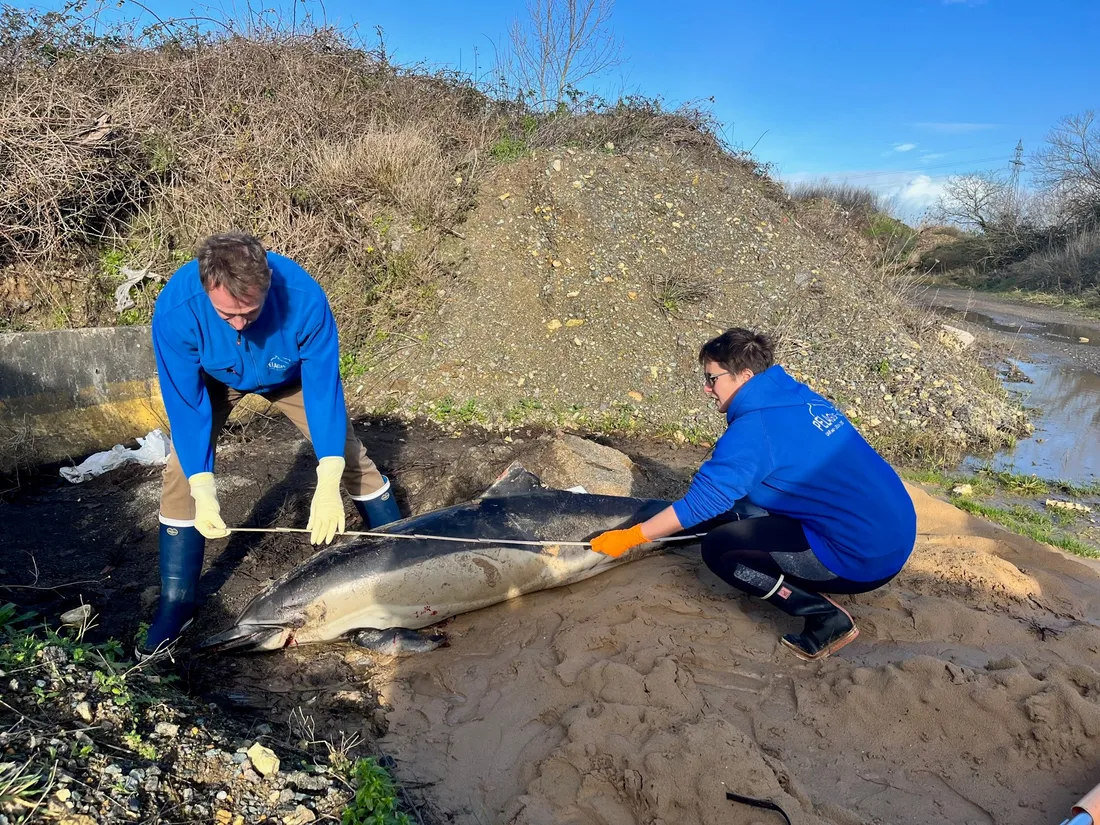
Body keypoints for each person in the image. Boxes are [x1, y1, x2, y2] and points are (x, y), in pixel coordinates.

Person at [141, 232, 401, 657]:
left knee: (352, 456)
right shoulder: (177, 312)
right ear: (208, 288)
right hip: (216, 379)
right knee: (180, 476)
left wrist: (329, 474)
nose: (241, 324)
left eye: (250, 311)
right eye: (228, 316)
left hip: (291, 376)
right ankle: (176, 603)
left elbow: (323, 390)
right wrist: (203, 487)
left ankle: (399, 562)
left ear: (266, 286)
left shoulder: (303, 298)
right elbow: (186, 406)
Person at [591, 328, 917, 661]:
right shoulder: (794, 395)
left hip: (863, 560)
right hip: (897, 534)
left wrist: (631, 537)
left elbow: (702, 503)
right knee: (742, 508)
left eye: (712, 378)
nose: (707, 388)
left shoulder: (754, 429)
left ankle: (825, 618)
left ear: (744, 375)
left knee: (721, 548)